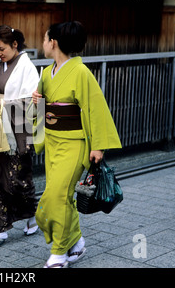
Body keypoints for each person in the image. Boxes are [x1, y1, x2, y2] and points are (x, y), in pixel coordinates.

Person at [32, 21, 122, 268]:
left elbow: (96, 109)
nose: (42, 44)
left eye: (44, 39)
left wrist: (98, 146)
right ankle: (77, 243)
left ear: (54, 43)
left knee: (55, 198)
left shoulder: (81, 72)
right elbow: (40, 113)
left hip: (74, 144)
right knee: (64, 198)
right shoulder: (46, 73)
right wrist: (37, 102)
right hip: (52, 142)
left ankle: (59, 252)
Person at [0, 25, 40, 251]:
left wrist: (3, 104)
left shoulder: (26, 66)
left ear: (15, 44)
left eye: (2, 48)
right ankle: (0, 228)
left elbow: (33, 102)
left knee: (18, 179)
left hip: (18, 128)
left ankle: (32, 213)